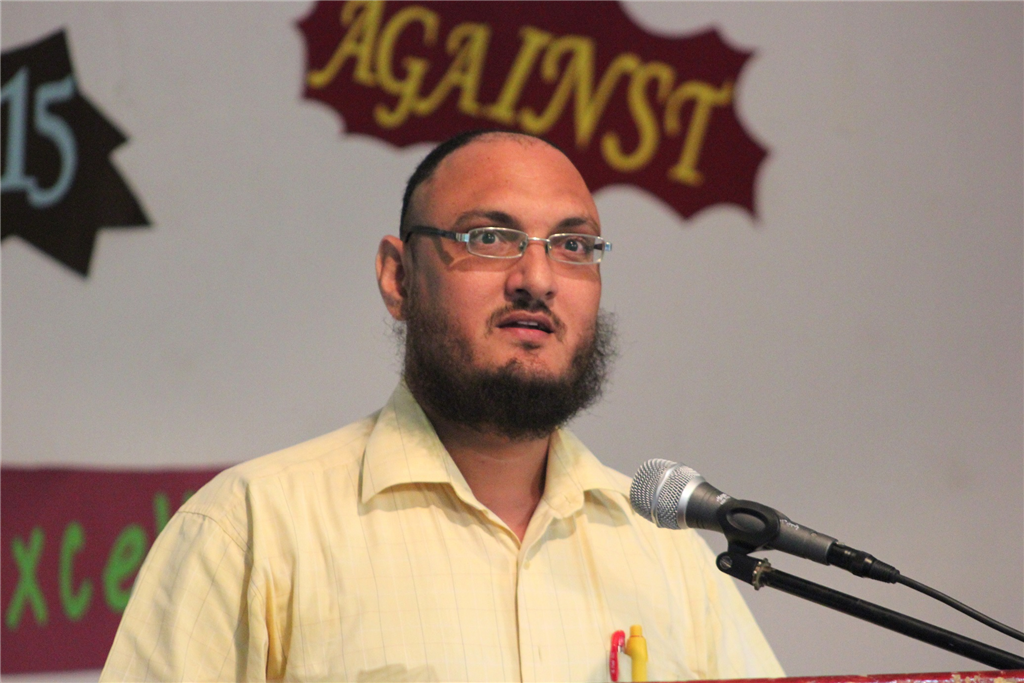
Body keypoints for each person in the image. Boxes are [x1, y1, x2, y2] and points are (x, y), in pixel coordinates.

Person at [101, 130, 784, 682]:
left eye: (573, 247)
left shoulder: (666, 554)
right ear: (398, 277)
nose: (538, 278)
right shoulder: (251, 529)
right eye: (490, 238)